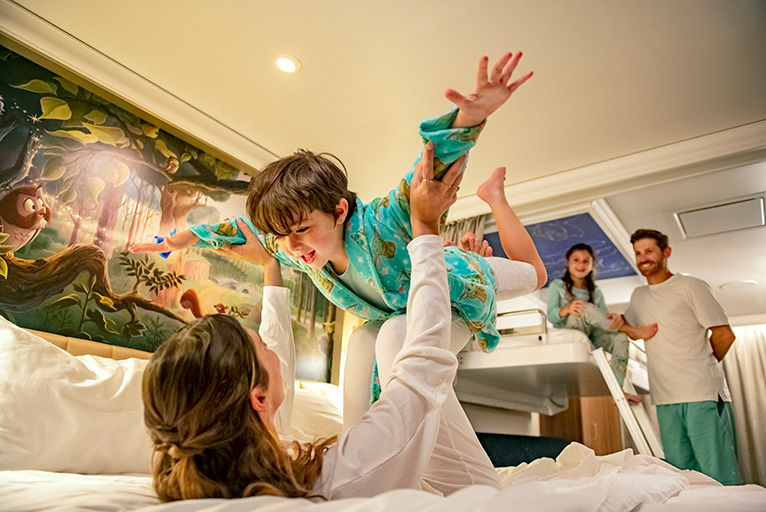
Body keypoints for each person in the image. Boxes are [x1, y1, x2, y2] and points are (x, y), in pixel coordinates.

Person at [132, 52, 547, 424]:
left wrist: (469, 119)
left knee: (534, 275)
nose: (291, 245)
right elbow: (245, 232)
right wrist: (181, 237)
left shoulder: (383, 222)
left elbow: (422, 177)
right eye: (282, 235)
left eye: (300, 229)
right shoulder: (300, 251)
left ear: (339, 212)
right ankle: (360, 463)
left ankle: (495, 197)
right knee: (365, 344)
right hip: (396, 314)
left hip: (458, 284)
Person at [142, 150, 501, 501]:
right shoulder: (345, 471)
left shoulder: (233, 476)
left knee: (365, 338)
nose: (274, 349)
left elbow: (257, 244)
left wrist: (200, 238)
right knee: (392, 335)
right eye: (263, 349)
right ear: (259, 398)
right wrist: (426, 227)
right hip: (486, 498)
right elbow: (423, 365)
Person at [607, 229, 742, 485]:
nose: (643, 257)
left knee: (718, 474)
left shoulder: (690, 286)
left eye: (649, 251)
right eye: (638, 253)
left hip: (700, 393)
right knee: (681, 476)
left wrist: (699, 366)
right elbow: (632, 330)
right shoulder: (639, 296)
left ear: (666, 253)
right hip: (665, 398)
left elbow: (724, 335)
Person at [546, 243, 657, 402]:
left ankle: (617, 390)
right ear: (567, 263)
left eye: (586, 261)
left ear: (592, 266)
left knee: (621, 339)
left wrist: (613, 318)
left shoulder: (595, 292)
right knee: (585, 308)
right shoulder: (557, 285)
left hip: (593, 334)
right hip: (571, 329)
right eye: (576, 260)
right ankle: (631, 330)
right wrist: (567, 309)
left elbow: (603, 317)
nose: (581, 264)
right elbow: (551, 315)